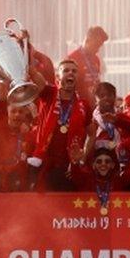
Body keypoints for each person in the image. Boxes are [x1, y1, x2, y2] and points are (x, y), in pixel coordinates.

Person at [31, 59, 90, 191]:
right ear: (58, 76)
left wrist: (83, 155)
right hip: (45, 164)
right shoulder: (49, 93)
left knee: (68, 209)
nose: (71, 73)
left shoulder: (83, 104)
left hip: (69, 167)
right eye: (66, 70)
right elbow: (34, 74)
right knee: (42, 208)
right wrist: (26, 48)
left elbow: (92, 133)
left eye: (74, 71)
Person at [66, 26, 109, 100]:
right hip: (78, 103)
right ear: (87, 40)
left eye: (99, 46)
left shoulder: (96, 59)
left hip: (93, 104)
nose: (98, 50)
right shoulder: (72, 59)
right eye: (96, 45)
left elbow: (96, 80)